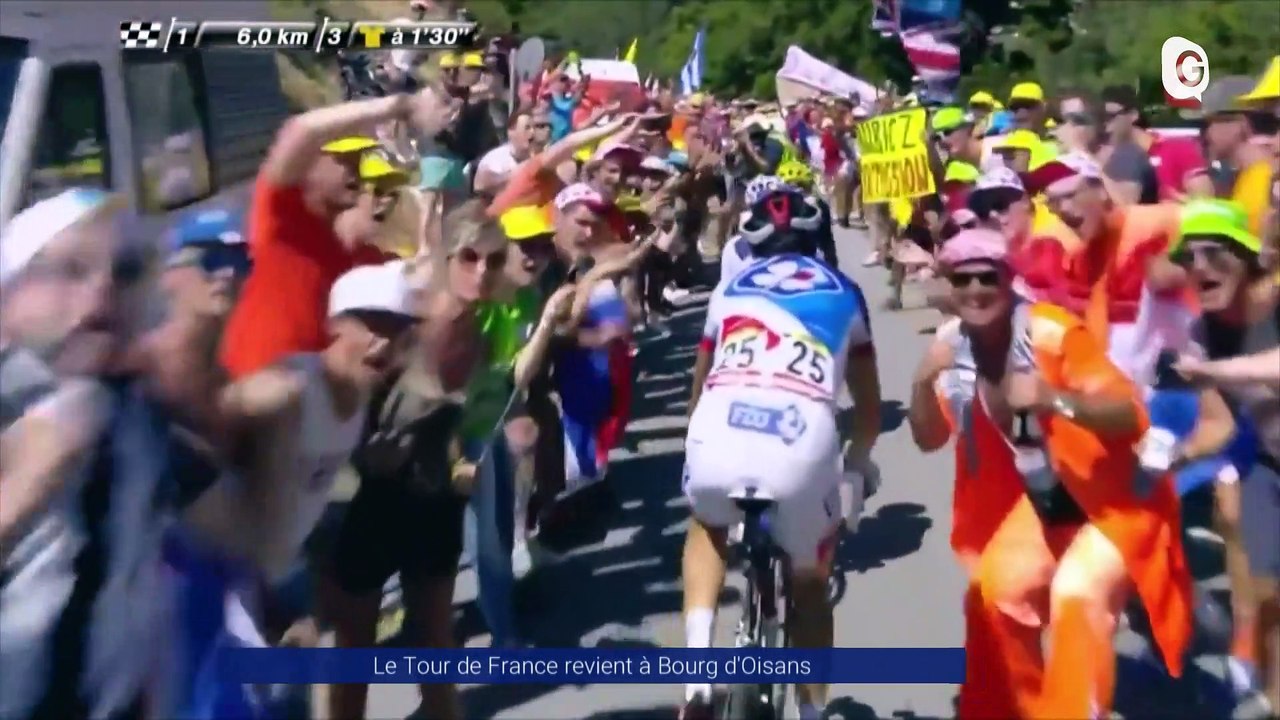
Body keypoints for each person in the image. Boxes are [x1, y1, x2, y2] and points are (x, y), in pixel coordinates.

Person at [906, 228, 1191, 719]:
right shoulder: (953, 350)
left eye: (987, 277)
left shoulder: (1052, 333)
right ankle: (1023, 708)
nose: (976, 290)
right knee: (993, 594)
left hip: (1116, 499)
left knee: (1076, 594)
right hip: (1049, 500)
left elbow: (1126, 411)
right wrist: (921, 378)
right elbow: (928, 438)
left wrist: (1053, 398)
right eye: (963, 279)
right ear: (950, 288)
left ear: (1009, 281)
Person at [679, 188, 882, 720]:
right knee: (811, 580)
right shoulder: (845, 290)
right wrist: (859, 465)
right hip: (801, 443)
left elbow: (698, 389)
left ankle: (698, 678)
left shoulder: (728, 289)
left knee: (706, 526)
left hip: (720, 430)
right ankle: (813, 713)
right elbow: (868, 411)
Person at [325, 200, 507, 720]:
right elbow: (349, 398)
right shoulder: (411, 320)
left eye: (493, 261)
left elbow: (459, 419)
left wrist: (460, 460)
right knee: (353, 654)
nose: (481, 271)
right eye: (469, 257)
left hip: (434, 502)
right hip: (368, 502)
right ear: (447, 257)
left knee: (435, 642)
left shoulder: (485, 330)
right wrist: (357, 462)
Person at [219, 86, 457, 379]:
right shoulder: (281, 220)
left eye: (361, 160)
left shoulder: (370, 263)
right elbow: (300, 130)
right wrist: (401, 105)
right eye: (344, 159)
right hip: (247, 399)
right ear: (309, 165)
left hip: (309, 414)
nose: (357, 170)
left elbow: (428, 294)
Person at [1172, 200, 1280, 717]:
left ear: (1247, 255)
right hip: (1269, 459)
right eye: (1189, 258)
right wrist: (1173, 457)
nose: (1200, 267)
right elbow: (1217, 422)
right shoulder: (1204, 331)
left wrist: (1218, 371)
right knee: (1268, 594)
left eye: (1215, 252)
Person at [1099, 86, 1161, 205]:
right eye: (1098, 118)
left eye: (1109, 116)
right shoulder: (1105, 157)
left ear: (1133, 115)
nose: (1104, 124)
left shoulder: (1176, 147)